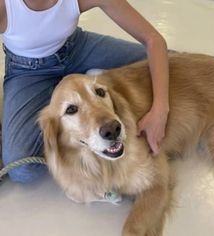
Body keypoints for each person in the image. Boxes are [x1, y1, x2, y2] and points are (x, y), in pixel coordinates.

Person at [0, 0, 170, 183]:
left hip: (76, 49)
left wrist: (160, 110)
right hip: (27, 70)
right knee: (22, 170)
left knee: (172, 61)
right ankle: (73, 94)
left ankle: (84, 86)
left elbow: (154, 40)